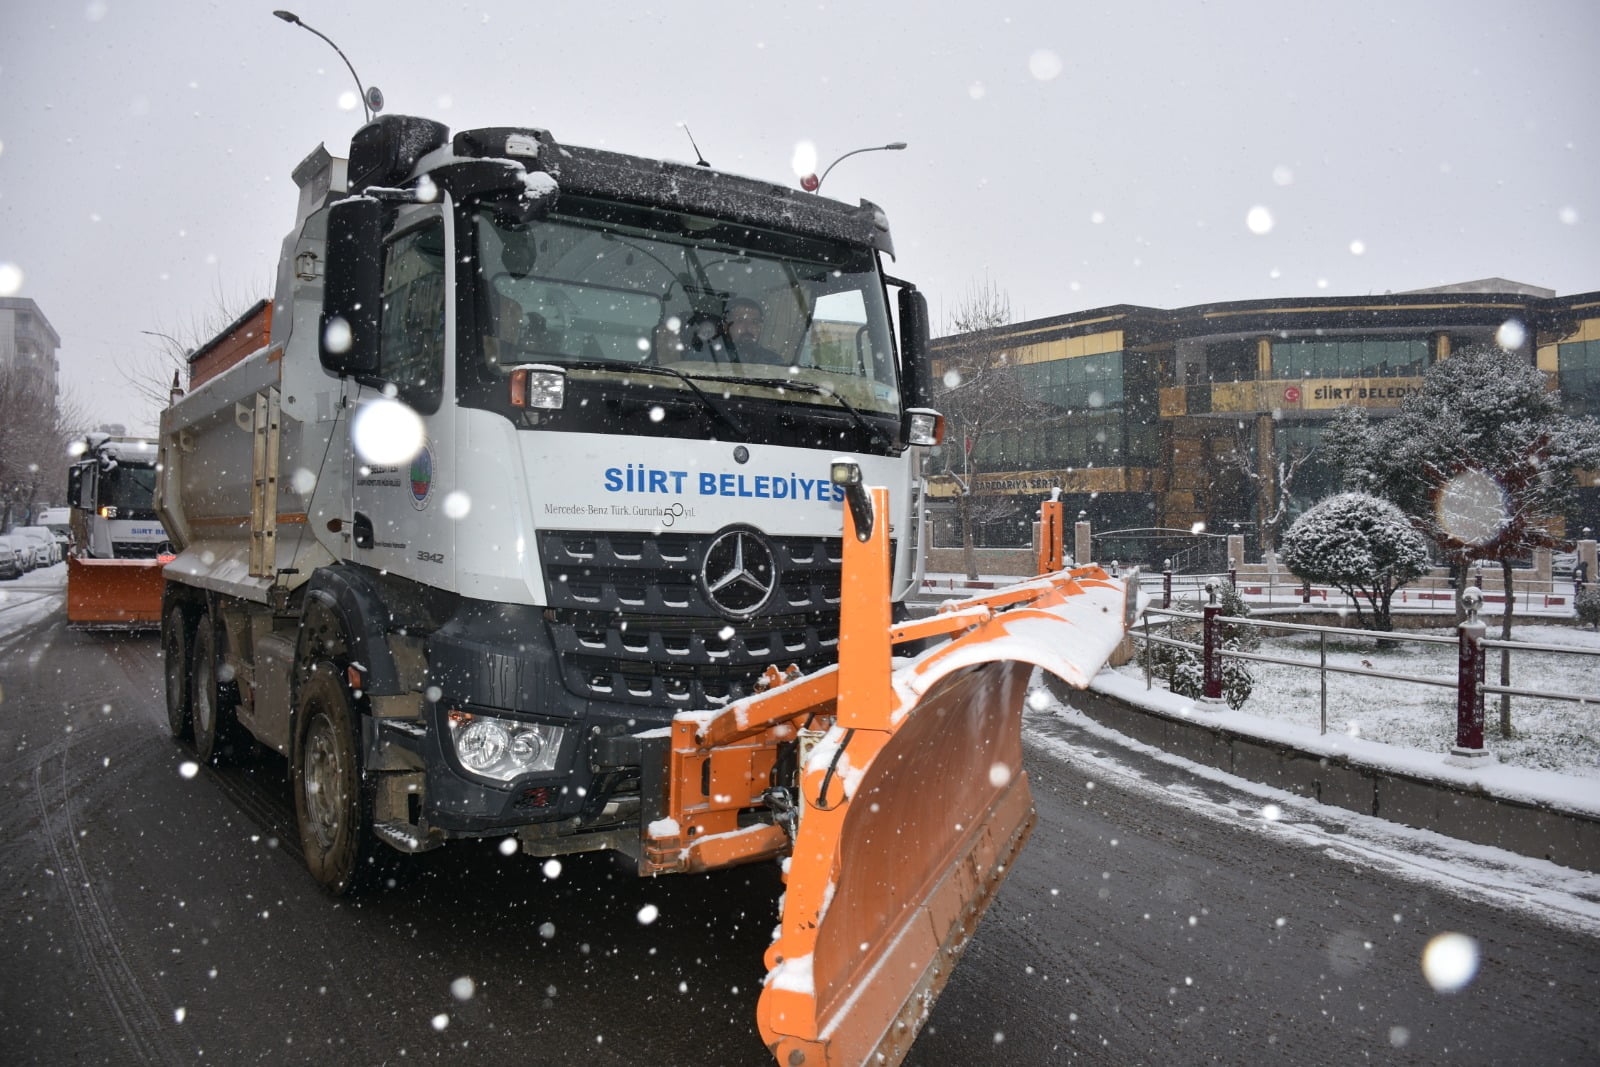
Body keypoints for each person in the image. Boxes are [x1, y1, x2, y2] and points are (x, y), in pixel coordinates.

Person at [721, 297, 786, 365]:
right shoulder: (712, 357)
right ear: (726, 326)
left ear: (760, 328)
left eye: (754, 322)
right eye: (740, 321)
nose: (748, 327)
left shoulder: (773, 361)